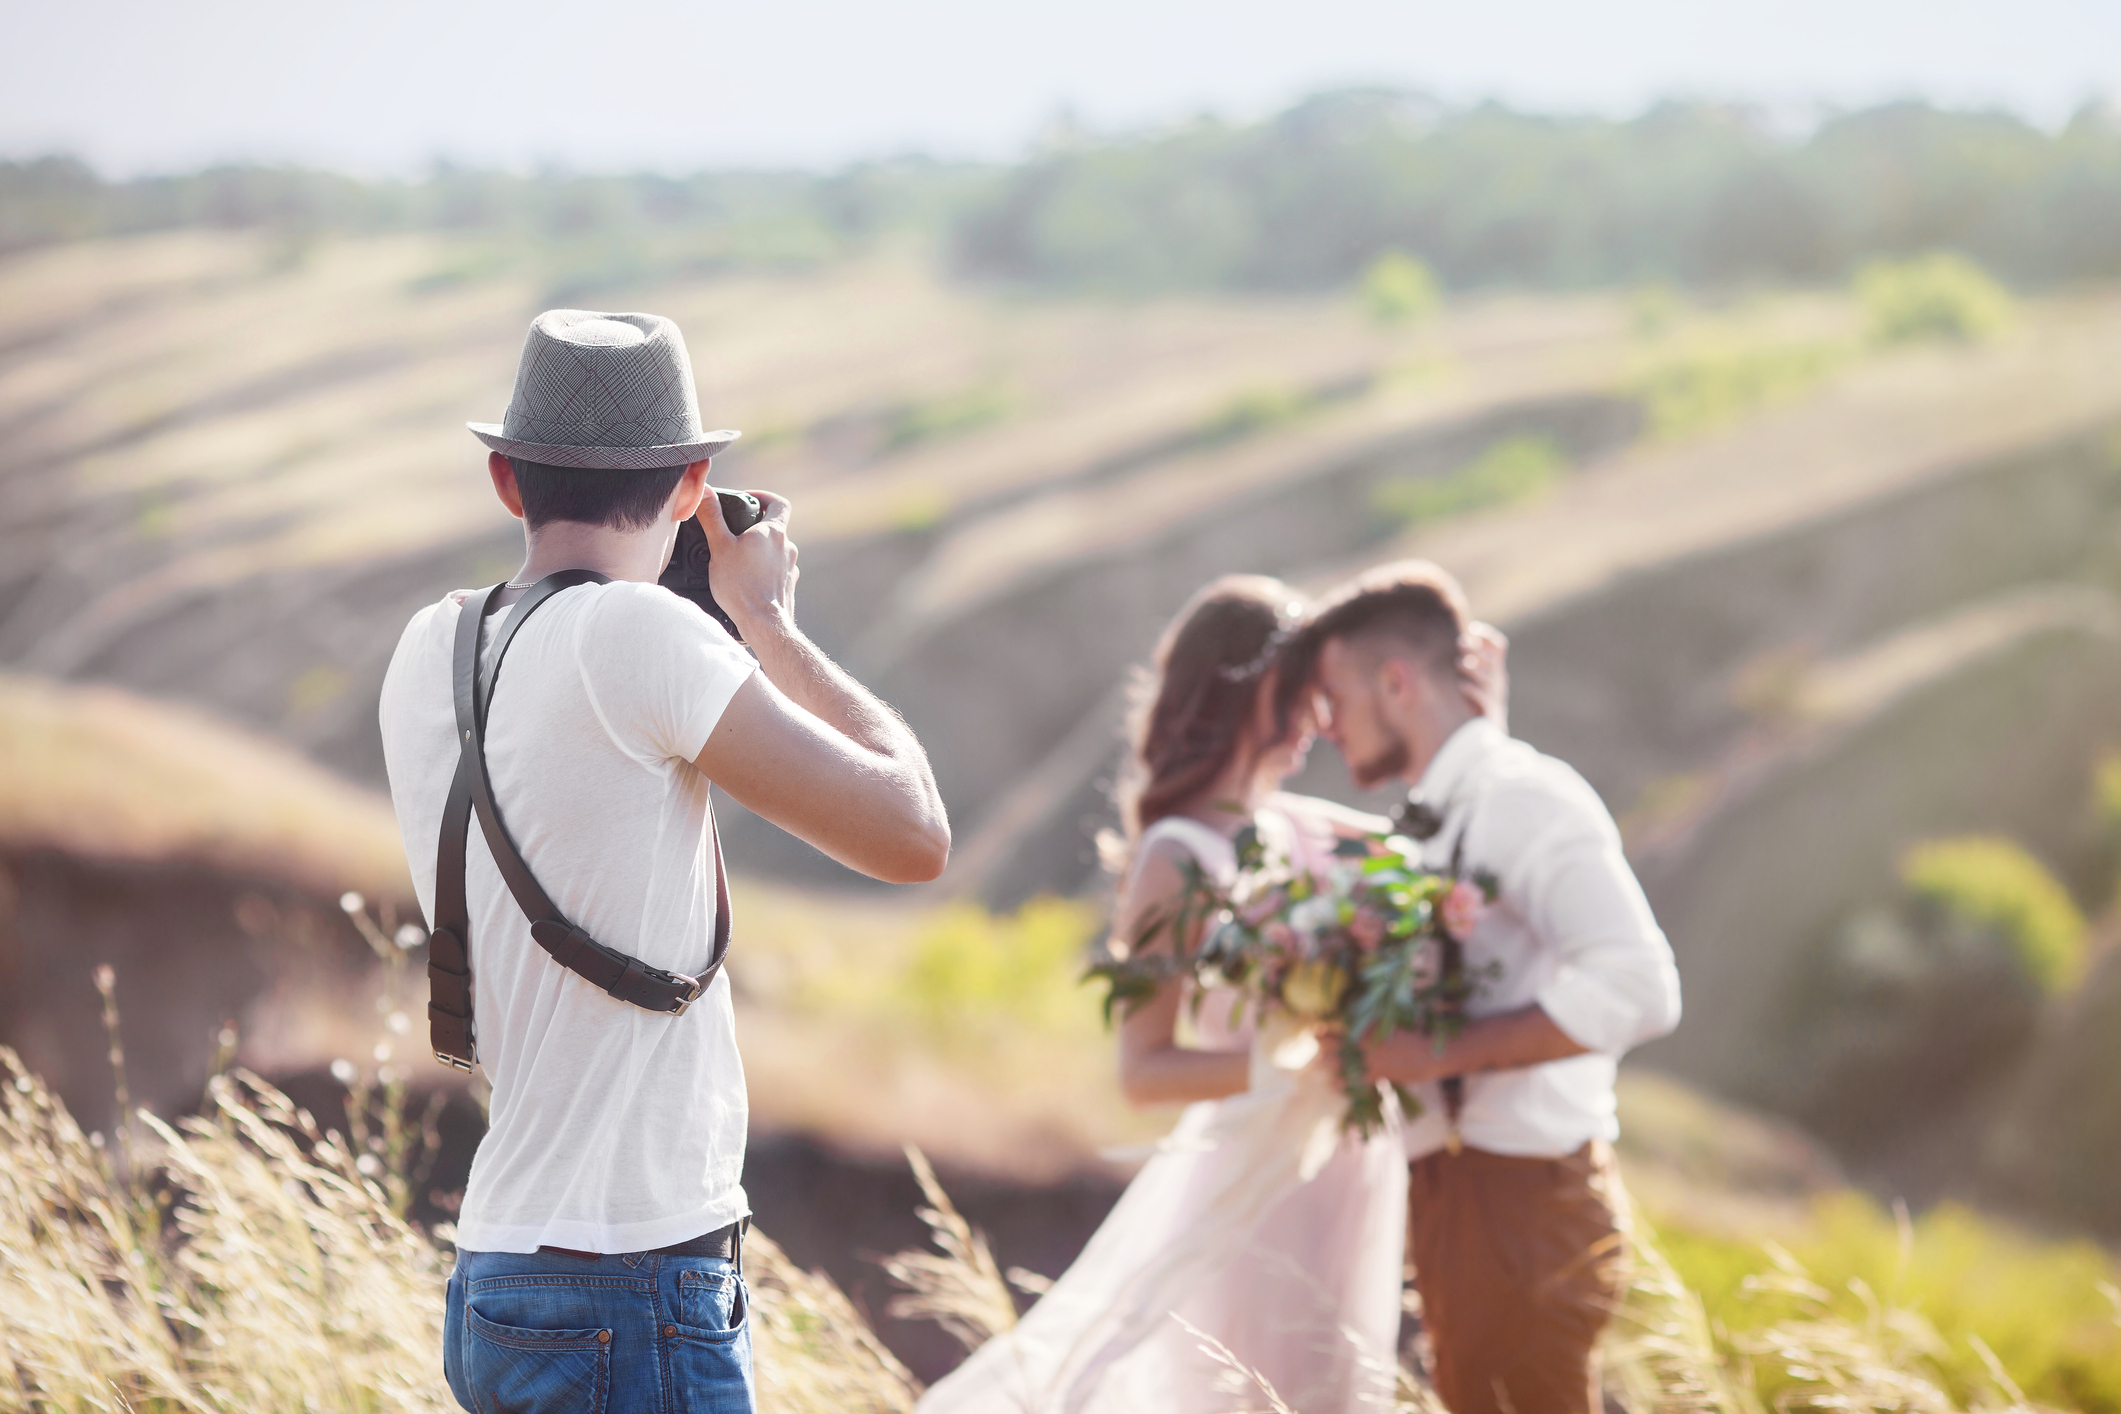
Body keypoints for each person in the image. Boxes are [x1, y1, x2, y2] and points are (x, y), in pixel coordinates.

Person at [378, 309, 950, 1414]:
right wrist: (766, 620)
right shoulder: (644, 640)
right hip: (632, 1272)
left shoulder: (429, 646)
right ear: (693, 487)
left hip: (496, 1262)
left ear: (506, 481)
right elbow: (913, 831)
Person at [917, 574, 1505, 1414]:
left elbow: (1445, 852)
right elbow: (1144, 1071)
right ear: (1256, 688)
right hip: (1250, 1173)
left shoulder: (1301, 825)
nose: (1322, 718)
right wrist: (1283, 1060)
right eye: (1308, 692)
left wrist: (1485, 727)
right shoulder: (1174, 857)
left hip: (1348, 1165)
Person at [1280, 561, 1682, 1414]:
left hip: (1517, 1202)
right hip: (1468, 1199)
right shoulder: (1449, 810)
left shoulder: (1524, 800)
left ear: (1395, 683)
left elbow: (1640, 988)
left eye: (1332, 697)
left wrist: (1427, 1053)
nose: (1322, 726)